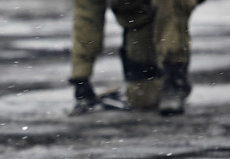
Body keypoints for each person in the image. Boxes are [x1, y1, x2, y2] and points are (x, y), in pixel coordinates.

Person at [69, 0, 205, 116]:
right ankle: (133, 89)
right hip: (139, 18)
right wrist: (81, 78)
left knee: (171, 4)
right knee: (144, 100)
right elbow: (87, 19)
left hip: (172, 8)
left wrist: (174, 68)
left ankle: (175, 81)